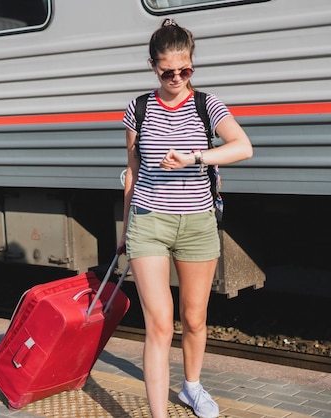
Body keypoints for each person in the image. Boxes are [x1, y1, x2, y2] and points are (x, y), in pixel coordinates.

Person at [117, 18, 253, 418]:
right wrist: (126, 231)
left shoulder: (206, 104)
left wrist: (196, 157)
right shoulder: (138, 108)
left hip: (197, 223)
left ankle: (192, 388)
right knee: (159, 324)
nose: (176, 77)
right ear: (152, 66)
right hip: (149, 222)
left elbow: (242, 146)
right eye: (167, 71)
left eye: (185, 70)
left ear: (192, 65)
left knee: (194, 318)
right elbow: (132, 173)